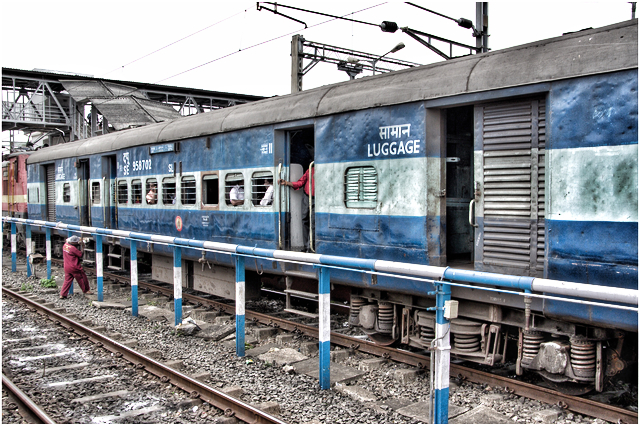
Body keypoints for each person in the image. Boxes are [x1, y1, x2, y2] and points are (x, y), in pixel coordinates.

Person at [279, 166, 315, 251]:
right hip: (307, 197)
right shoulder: (310, 169)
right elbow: (300, 182)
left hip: (318, 198)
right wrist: (286, 183)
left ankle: (310, 246)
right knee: (304, 220)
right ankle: (306, 246)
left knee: (313, 222)